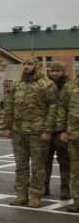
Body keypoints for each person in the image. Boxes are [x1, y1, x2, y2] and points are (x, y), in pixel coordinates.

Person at [3, 58, 57, 208]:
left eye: (29, 64)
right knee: (20, 165)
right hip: (19, 131)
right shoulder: (18, 84)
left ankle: (36, 195)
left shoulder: (46, 84)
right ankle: (21, 194)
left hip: (37, 132)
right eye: (24, 64)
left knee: (38, 166)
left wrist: (47, 130)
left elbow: (53, 108)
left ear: (37, 67)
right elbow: (9, 106)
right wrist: (7, 126)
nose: (26, 67)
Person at [45, 61, 71, 199]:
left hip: (63, 132)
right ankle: (44, 187)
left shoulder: (70, 87)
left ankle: (65, 188)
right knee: (44, 161)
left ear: (63, 72)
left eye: (58, 71)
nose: (54, 73)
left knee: (65, 162)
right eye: (52, 71)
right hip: (47, 130)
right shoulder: (45, 85)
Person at [54, 70, 79, 212]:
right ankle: (77, 201)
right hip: (74, 135)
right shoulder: (70, 87)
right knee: (75, 170)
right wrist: (62, 130)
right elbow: (62, 109)